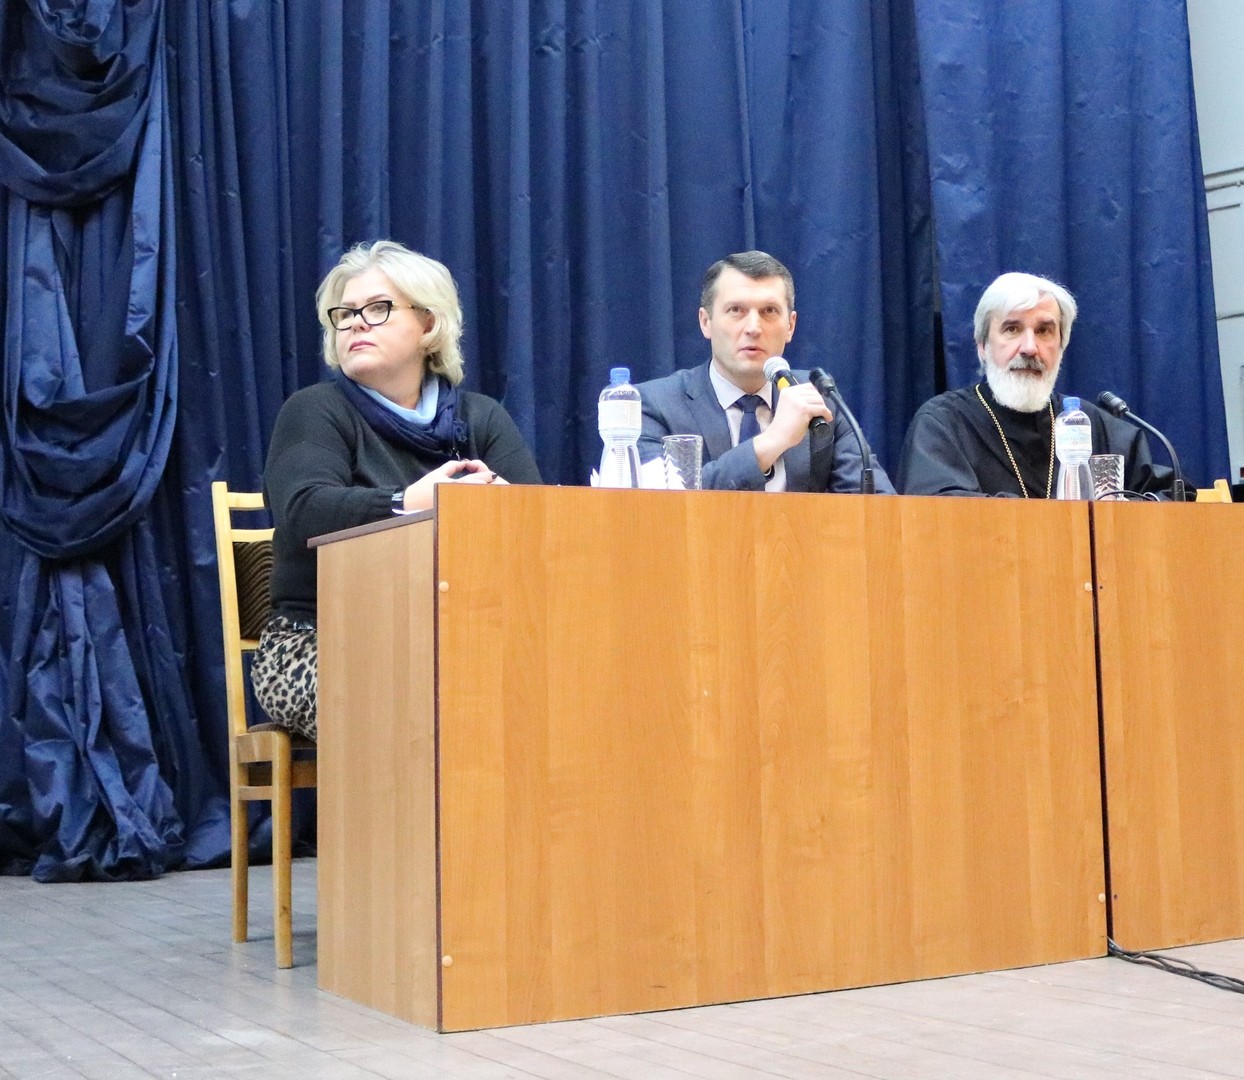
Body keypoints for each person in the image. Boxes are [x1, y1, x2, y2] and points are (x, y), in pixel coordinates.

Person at [251, 240, 541, 739]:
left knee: (556, 679)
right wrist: (409, 503)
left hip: (459, 638)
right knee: (424, 692)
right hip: (317, 642)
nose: (356, 324)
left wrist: (502, 505)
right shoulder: (315, 410)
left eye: (378, 308)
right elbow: (301, 512)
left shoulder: (481, 418)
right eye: (345, 314)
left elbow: (537, 528)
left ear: (428, 324)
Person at [897, 271, 1174, 498]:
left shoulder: (1095, 427)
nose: (1030, 348)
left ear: (1061, 345)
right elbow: (940, 515)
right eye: (1012, 329)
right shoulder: (943, 424)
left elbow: (1171, 498)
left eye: (1044, 331)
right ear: (982, 346)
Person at [635, 250, 894, 493]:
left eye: (769, 311)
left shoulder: (818, 399)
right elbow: (659, 507)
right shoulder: (655, 406)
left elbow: (877, 507)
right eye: (735, 310)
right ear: (706, 322)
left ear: (790, 325)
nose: (754, 328)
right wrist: (770, 442)